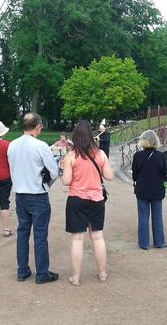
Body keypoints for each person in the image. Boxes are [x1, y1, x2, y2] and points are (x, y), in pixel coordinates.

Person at [7, 112, 59, 284]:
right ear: (37, 126)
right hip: (37, 194)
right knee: (40, 234)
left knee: (22, 233)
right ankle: (42, 273)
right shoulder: (40, 145)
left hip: (20, 194)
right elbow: (54, 171)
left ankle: (22, 270)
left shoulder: (12, 145)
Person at [61, 120, 114, 286]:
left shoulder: (71, 156)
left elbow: (66, 181)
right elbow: (109, 176)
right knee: (98, 237)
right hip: (97, 200)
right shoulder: (100, 154)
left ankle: (76, 277)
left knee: (77, 239)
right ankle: (102, 273)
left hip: (77, 199)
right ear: (92, 135)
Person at [132, 130, 167, 250]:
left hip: (142, 190)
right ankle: (159, 242)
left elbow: (134, 176)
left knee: (143, 217)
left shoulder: (137, 156)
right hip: (157, 190)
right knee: (157, 217)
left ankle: (144, 243)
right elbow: (164, 175)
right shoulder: (161, 156)